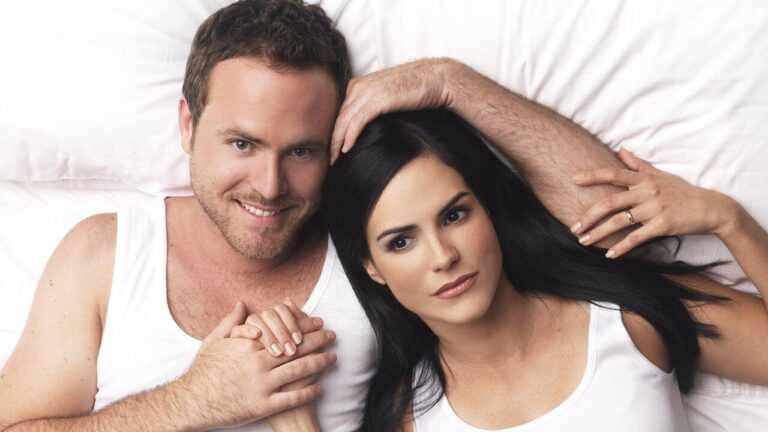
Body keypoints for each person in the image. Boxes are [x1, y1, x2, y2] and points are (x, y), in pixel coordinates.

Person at [0, 1, 376, 431]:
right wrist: (191, 401)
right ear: (188, 125)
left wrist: (429, 82)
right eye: (242, 144)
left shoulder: (377, 259)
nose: (270, 186)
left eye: (301, 151)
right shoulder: (105, 256)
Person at [323, 109, 768, 431]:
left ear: (488, 209)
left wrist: (731, 221)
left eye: (455, 216)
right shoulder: (407, 417)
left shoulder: (625, 317)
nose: (443, 256)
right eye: (401, 242)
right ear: (372, 267)